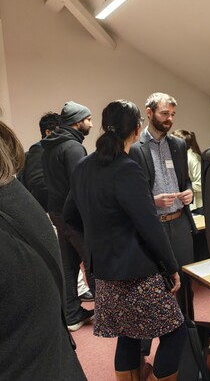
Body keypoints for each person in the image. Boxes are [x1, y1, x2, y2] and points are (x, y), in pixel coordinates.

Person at [63, 100, 186, 381]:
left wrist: (92, 248)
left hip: (104, 272)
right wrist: (172, 267)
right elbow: (149, 225)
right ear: (137, 129)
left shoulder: (83, 166)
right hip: (136, 273)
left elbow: (69, 216)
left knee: (129, 334)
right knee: (175, 332)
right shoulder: (127, 168)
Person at [0, 121, 87, 380]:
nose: (90, 123)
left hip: (57, 217)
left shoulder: (44, 152)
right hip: (56, 363)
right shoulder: (14, 193)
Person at [130, 92, 199, 355]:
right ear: (149, 113)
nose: (170, 119)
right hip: (152, 227)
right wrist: (152, 200)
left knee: (185, 283)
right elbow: (128, 192)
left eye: (172, 114)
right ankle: (146, 348)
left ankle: (189, 339)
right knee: (153, 287)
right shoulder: (135, 148)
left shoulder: (178, 145)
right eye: (164, 114)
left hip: (179, 223)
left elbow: (186, 180)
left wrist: (189, 192)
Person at [42, 101, 96, 330]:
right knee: (93, 262)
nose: (91, 124)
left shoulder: (49, 146)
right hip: (74, 216)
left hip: (57, 212)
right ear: (77, 122)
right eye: (88, 119)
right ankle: (109, 315)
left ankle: (72, 314)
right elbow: (80, 187)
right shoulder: (73, 148)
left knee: (69, 265)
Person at [19, 111, 60, 211]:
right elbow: (38, 186)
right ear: (48, 132)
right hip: (47, 212)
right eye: (61, 131)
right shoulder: (38, 152)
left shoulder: (47, 152)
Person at [172, 129, 203, 214]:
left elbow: (200, 184)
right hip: (185, 204)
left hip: (197, 206)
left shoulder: (193, 159)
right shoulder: (180, 156)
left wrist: (183, 187)